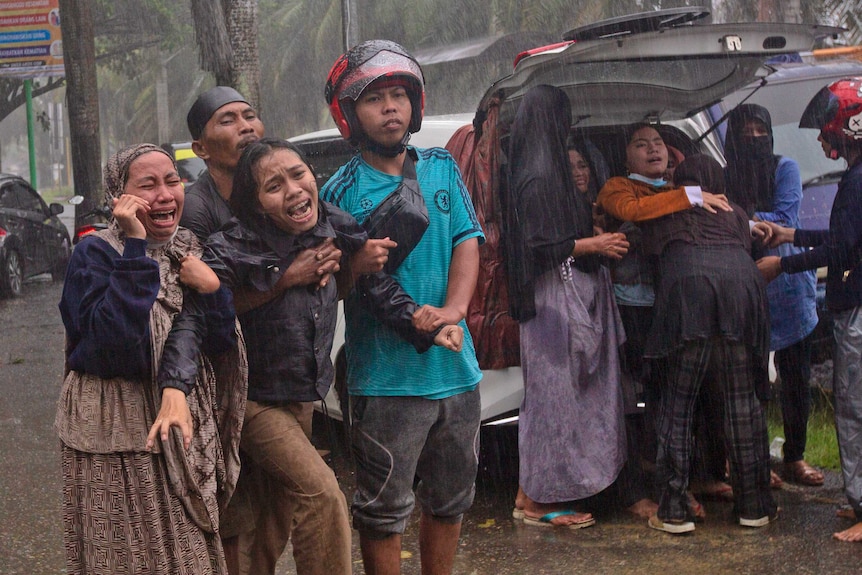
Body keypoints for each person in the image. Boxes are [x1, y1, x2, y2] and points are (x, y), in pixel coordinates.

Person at [321, 39, 485, 574]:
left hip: (457, 373)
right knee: (384, 512)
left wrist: (455, 310)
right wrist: (357, 268)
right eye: (374, 98)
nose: (390, 107)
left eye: (398, 95)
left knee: (451, 500)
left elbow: (467, 239)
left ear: (416, 104)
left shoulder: (440, 167)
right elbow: (333, 284)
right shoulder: (339, 191)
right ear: (350, 113)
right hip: (386, 382)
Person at [55, 144, 246, 574]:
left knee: (189, 553)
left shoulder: (191, 248)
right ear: (118, 199)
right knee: (126, 555)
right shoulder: (95, 254)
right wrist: (136, 248)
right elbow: (113, 345)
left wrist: (213, 289)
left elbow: (217, 342)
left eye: (172, 181)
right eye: (147, 185)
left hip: (181, 424)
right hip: (114, 429)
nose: (164, 194)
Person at [182, 86, 343, 575]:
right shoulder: (199, 209)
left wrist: (348, 261)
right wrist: (287, 277)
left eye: (250, 115)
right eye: (227, 120)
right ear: (202, 148)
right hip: (234, 387)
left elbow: (344, 246)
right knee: (249, 513)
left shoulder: (293, 196)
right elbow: (206, 306)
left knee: (275, 516)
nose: (245, 125)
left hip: (291, 379)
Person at [597, 126, 778, 534]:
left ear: (680, 182)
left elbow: (636, 244)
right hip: (742, 303)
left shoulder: (668, 208)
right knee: (741, 405)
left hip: (689, 303)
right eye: (641, 143)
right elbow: (749, 243)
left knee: (677, 407)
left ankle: (674, 509)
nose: (653, 150)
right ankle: (754, 506)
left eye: (657, 143)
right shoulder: (736, 214)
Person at [503, 85, 630, 529]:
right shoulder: (538, 175)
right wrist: (592, 242)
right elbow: (536, 246)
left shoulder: (543, 170)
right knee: (552, 399)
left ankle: (531, 493)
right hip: (550, 300)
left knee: (557, 397)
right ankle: (537, 501)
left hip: (557, 295)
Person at [757, 77, 862, 542]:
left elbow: (841, 252)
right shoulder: (856, 177)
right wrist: (791, 236)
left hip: (857, 306)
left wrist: (783, 264)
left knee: (856, 408)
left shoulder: (859, 180)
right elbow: (845, 240)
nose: (821, 139)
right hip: (852, 303)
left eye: (826, 130)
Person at [724, 104, 822, 487]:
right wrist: (747, 223)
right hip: (746, 288)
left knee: (796, 380)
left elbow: (784, 218)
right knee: (750, 383)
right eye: (745, 132)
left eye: (759, 131)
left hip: (789, 284)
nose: (753, 139)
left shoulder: (786, 168)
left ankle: (795, 456)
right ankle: (754, 461)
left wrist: (743, 219)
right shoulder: (725, 177)